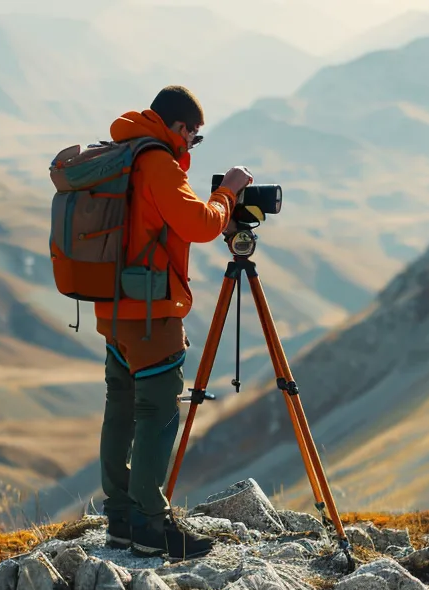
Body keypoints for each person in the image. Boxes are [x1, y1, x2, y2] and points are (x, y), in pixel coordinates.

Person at [96, 85, 253, 560]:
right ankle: (150, 525)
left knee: (120, 409)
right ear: (180, 128)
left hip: (114, 306)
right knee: (158, 417)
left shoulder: (123, 152)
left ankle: (120, 519)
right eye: (193, 137)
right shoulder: (158, 161)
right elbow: (201, 225)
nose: (190, 145)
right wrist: (229, 190)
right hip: (152, 312)